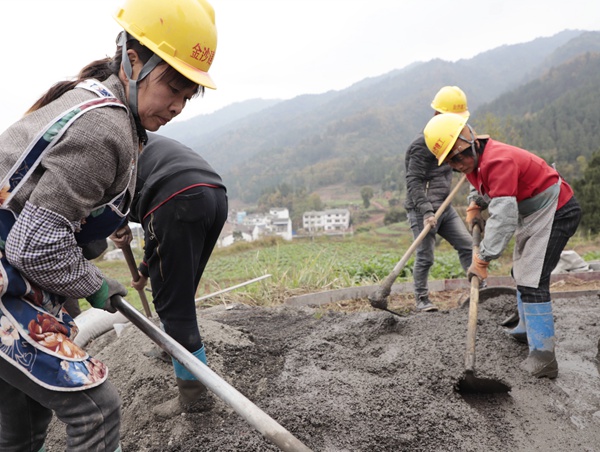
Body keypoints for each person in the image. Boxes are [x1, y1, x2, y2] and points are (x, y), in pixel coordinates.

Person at [0, 0, 218, 450]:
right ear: (133, 60)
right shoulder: (105, 127)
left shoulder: (101, 110)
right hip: (8, 280)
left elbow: (54, 221)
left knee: (23, 421)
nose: (177, 106)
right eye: (171, 87)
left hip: (17, 279)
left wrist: (86, 260)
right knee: (95, 411)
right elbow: (36, 243)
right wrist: (95, 285)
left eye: (187, 95)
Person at [423, 112, 581, 379]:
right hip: (533, 212)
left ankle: (544, 358)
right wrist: (475, 203)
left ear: (469, 140)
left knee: (533, 280)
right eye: (450, 162)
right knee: (519, 272)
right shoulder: (476, 160)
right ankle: (525, 328)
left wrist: (483, 259)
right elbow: (483, 187)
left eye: (458, 156)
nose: (458, 165)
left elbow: (503, 217)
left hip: (557, 211)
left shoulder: (498, 160)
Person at [110, 132, 227, 419]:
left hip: (174, 198)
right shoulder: (132, 137)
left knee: (175, 310)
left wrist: (114, 222)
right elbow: (160, 244)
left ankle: (194, 398)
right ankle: (173, 348)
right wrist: (143, 272)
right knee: (180, 290)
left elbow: (101, 221)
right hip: (212, 192)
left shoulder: (103, 150)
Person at [403, 86, 473, 312]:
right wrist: (426, 211)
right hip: (421, 210)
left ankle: (477, 290)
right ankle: (421, 300)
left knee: (467, 245)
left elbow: (458, 165)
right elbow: (413, 182)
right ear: (438, 116)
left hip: (446, 207)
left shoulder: (454, 138)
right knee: (425, 257)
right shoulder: (421, 146)